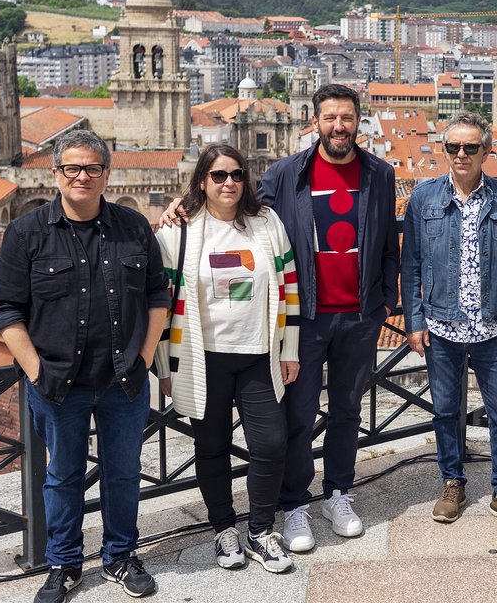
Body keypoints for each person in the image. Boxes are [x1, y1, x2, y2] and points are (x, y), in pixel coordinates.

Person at [160, 84, 397, 552]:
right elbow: (231, 206)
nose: (338, 127)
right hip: (305, 317)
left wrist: (384, 300)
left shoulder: (381, 174)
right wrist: (183, 205)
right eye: (329, 118)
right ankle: (294, 505)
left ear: (358, 121)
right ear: (315, 123)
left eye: (346, 118)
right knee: (297, 417)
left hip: (359, 315)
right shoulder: (288, 173)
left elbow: (389, 240)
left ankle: (338, 493)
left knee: (348, 410)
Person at [0, 130, 168, 603]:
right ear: (56, 174)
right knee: (63, 476)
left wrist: (146, 356)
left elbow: (157, 296)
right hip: (56, 383)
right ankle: (63, 564)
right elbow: (7, 310)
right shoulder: (27, 232)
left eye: (92, 168)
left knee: (124, 473)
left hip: (123, 380)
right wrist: (35, 370)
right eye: (72, 168)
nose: (82, 176)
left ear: (107, 174)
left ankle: (120, 557)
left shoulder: (133, 228)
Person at [153, 145, 300, 572]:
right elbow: (161, 304)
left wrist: (288, 348)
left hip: (258, 353)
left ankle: (259, 530)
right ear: (202, 181)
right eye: (218, 176)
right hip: (202, 357)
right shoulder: (177, 232)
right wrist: (166, 365)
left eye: (236, 174)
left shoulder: (266, 223)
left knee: (272, 443)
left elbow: (289, 288)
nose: (229, 183)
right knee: (212, 446)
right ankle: (223, 529)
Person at [401, 110, 497, 531]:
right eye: (453, 146)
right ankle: (452, 483)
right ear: (444, 150)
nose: (461, 153)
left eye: (470, 147)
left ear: (486, 151)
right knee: (445, 410)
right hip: (441, 327)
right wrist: (414, 319)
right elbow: (412, 265)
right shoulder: (424, 198)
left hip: (493, 329)